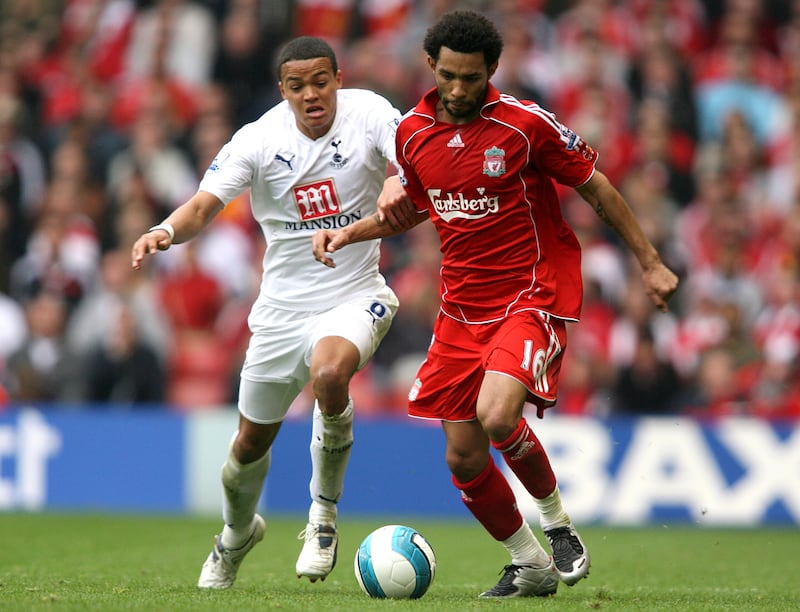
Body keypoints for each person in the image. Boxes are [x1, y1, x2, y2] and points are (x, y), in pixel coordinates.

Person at [312, 10, 679, 599]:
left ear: (493, 71)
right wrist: (346, 233)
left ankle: (557, 522)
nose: (460, 89)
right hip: (461, 307)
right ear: (431, 66)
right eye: (450, 75)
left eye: (473, 77)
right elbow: (412, 209)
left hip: (531, 291)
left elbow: (596, 185)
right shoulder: (410, 134)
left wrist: (650, 262)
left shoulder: (524, 125)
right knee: (462, 457)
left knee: (499, 414)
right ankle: (528, 563)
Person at [131, 36, 404, 589]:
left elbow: (409, 163)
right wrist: (164, 230)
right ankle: (234, 536)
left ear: (338, 78)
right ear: (283, 90)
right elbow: (204, 206)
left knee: (331, 374)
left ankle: (322, 518)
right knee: (247, 447)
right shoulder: (257, 139)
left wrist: (398, 178)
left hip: (354, 293)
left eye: (320, 81)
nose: (311, 95)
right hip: (280, 313)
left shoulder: (372, 113)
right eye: (297, 86)